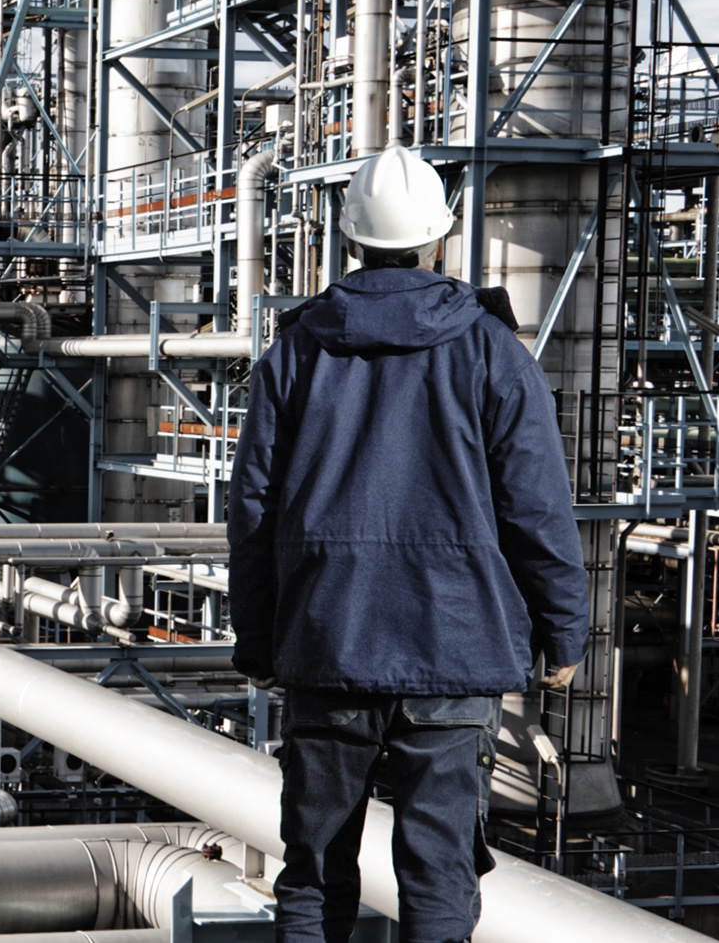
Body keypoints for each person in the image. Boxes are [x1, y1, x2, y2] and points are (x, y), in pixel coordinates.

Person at [228, 145, 589, 943]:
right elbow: (538, 509)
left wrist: (257, 637)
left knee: (316, 872)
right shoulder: (495, 354)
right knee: (438, 872)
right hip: (453, 646)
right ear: (438, 238)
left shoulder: (294, 353)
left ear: (349, 238)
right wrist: (563, 632)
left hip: (327, 638)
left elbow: (252, 509)